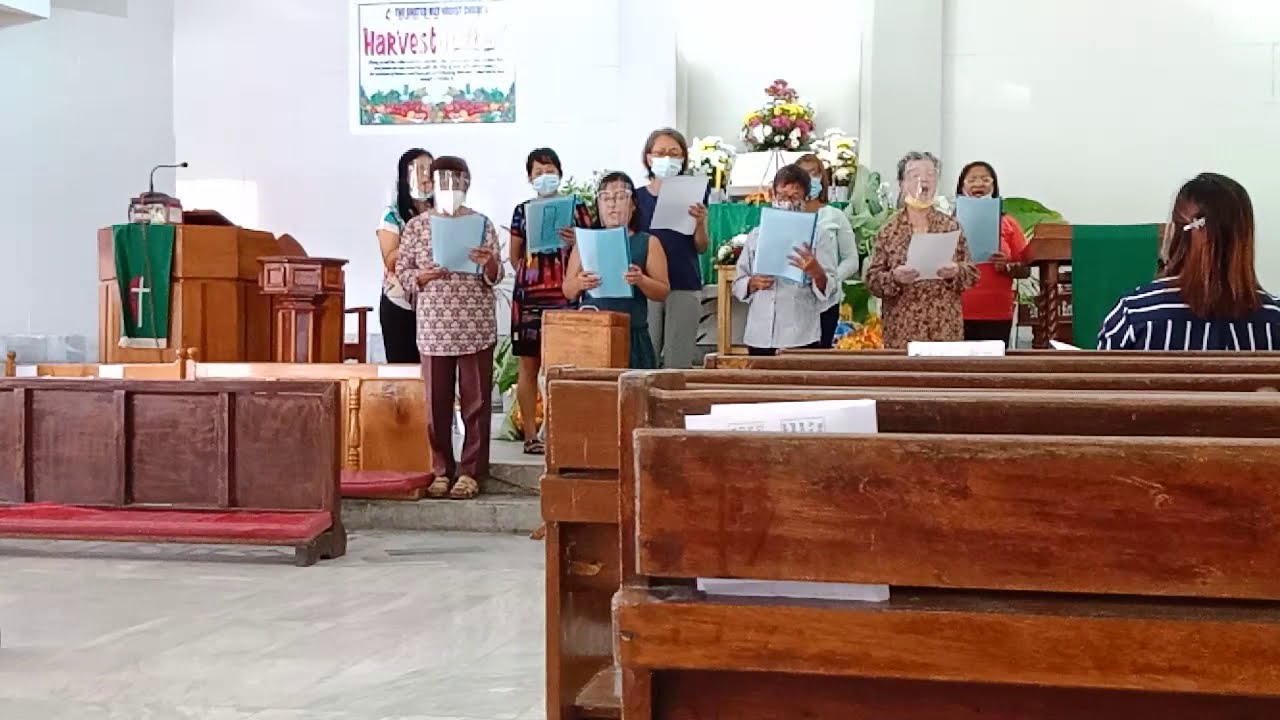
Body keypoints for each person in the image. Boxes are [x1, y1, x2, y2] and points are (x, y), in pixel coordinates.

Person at [394, 156, 503, 500]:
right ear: (431, 185)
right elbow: (402, 270)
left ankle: (471, 472)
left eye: (457, 182)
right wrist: (419, 277)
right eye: (444, 181)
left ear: (467, 184)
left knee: (477, 402)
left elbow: (496, 276)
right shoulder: (416, 226)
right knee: (436, 403)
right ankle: (441, 469)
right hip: (433, 326)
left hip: (474, 323)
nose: (450, 189)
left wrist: (490, 263)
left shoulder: (482, 223)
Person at [1099, 173, 1280, 350]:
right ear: (1244, 239)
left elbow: (1098, 378)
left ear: (1175, 233)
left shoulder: (1133, 314)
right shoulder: (1275, 319)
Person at [509, 148, 592, 455]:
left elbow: (591, 247)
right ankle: (531, 434)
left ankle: (562, 433)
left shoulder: (577, 207)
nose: (545, 176)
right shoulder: (522, 210)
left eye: (550, 169)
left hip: (565, 292)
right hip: (529, 294)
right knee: (529, 365)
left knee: (564, 365)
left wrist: (575, 240)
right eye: (538, 171)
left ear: (560, 171)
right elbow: (514, 256)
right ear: (530, 177)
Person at [865, 152, 979, 349]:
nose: (923, 180)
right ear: (901, 183)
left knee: (944, 379)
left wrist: (956, 272)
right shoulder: (889, 230)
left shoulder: (950, 226)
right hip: (902, 327)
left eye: (930, 174)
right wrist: (894, 277)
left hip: (944, 326)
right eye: (914, 175)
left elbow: (972, 274)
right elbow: (872, 280)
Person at [563, 172, 670, 369]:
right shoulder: (585, 242)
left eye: (620, 196)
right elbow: (568, 290)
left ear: (633, 205)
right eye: (605, 198)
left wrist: (641, 280)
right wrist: (580, 282)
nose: (612, 203)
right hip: (592, 333)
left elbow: (662, 291)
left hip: (632, 334)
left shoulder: (648, 242)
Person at [732, 164, 837, 356]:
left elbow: (830, 288)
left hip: (799, 334)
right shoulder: (757, 235)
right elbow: (739, 281)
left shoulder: (819, 235)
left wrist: (815, 271)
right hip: (760, 333)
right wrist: (752, 283)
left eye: (794, 197)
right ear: (773, 197)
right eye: (781, 196)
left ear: (806, 199)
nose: (786, 202)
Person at [632, 128, 709, 369]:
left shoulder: (694, 194)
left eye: (674, 153)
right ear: (648, 157)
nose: (667, 158)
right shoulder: (636, 198)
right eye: (661, 152)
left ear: (683, 158)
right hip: (647, 286)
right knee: (647, 355)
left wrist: (699, 223)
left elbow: (701, 246)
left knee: (679, 360)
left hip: (684, 281)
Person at [955, 161, 1029, 345]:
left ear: (994, 186)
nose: (979, 184)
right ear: (962, 186)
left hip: (997, 310)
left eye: (985, 179)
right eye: (972, 179)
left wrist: (1008, 266)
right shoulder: (948, 222)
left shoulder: (1009, 223)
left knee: (993, 369)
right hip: (957, 309)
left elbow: (1026, 269)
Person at [377, 149, 433, 363]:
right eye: (419, 170)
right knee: (403, 371)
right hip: (400, 303)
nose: (426, 175)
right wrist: (416, 241)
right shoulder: (392, 214)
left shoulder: (441, 213)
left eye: (430, 169)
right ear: (404, 176)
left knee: (433, 374)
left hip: (435, 305)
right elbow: (390, 260)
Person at [795, 153, 858, 347]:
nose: (810, 178)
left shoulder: (834, 216)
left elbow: (851, 259)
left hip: (826, 300)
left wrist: (830, 279)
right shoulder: (788, 216)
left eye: (814, 173)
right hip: (794, 302)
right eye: (804, 174)